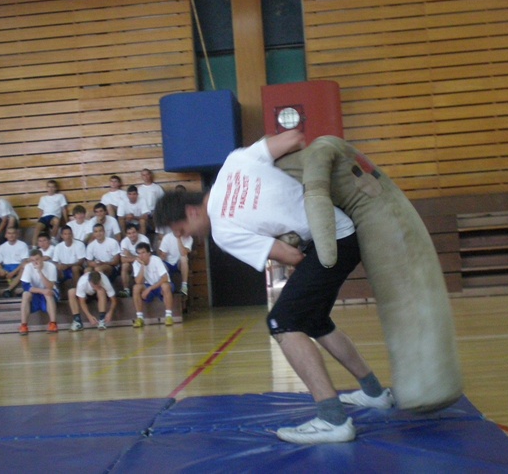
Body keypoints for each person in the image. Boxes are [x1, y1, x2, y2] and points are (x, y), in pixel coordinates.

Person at [154, 130, 393, 444]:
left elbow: (292, 256)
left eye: (182, 230)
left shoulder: (223, 232)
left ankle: (333, 419)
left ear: (192, 211)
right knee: (315, 321)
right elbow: (293, 139)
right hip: (342, 228)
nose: (187, 237)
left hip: (330, 242)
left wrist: (287, 238)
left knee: (282, 321)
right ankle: (374, 393)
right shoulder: (234, 162)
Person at [132, 242, 174, 328]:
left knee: (165, 286)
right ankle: (140, 318)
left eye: (143, 253)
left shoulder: (156, 260)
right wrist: (142, 266)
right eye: (139, 253)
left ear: (149, 253)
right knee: (136, 288)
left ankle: (169, 316)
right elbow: (138, 281)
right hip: (148, 286)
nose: (141, 256)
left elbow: (165, 278)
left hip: (160, 285)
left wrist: (150, 289)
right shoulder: (136, 263)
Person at [19, 248, 59, 335]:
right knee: (25, 294)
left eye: (37, 259)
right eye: (32, 260)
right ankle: (24, 325)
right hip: (37, 291)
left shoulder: (51, 266)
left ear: (42, 258)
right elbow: (26, 286)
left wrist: (40, 271)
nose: (35, 262)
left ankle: (53, 324)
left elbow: (50, 286)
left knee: (48, 293)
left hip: (49, 291)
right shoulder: (28, 267)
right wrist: (42, 291)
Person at [0, 227, 29, 298]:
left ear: (17, 235)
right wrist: (0, 270)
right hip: (6, 268)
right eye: (9, 233)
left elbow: (24, 261)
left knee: (24, 269)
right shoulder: (2, 247)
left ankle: (8, 290)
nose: (11, 235)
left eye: (13, 233)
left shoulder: (23, 245)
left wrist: (13, 272)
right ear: (6, 235)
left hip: (18, 268)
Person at [32, 179, 68, 248]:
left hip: (54, 216)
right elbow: (41, 211)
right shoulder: (43, 198)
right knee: (37, 228)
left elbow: (64, 209)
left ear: (56, 188)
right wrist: (38, 221)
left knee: (56, 221)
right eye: (49, 187)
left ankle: (52, 239)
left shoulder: (60, 196)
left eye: (52, 187)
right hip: (44, 217)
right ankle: (34, 247)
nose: (50, 189)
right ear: (46, 188)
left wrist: (66, 221)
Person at [119, 223, 150, 298]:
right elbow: (123, 259)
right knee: (125, 265)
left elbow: (147, 256)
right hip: (132, 263)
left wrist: (129, 255)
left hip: (143, 263)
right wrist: (136, 258)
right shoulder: (124, 241)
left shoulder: (144, 239)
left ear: (137, 232)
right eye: (129, 233)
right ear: (126, 234)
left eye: (133, 232)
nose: (132, 235)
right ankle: (126, 290)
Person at [158, 231, 192, 296]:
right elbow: (163, 255)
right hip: (168, 263)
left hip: (179, 263)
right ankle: (166, 287)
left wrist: (178, 239)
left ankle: (184, 285)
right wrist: (162, 254)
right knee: (161, 264)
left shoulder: (188, 237)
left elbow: (183, 253)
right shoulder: (167, 237)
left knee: (184, 258)